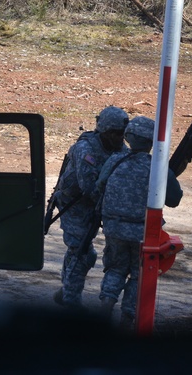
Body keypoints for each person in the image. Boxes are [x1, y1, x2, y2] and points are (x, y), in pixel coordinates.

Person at [96, 115, 182, 326]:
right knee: (138, 274)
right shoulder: (157, 168)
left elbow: (99, 185)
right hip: (143, 232)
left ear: (128, 137)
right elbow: (174, 199)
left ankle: (106, 304)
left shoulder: (115, 160)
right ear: (152, 141)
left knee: (115, 269)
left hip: (114, 228)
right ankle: (127, 317)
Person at [53, 105, 129, 308]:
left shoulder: (121, 149)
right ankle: (71, 301)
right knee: (84, 253)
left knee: (77, 252)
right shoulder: (85, 149)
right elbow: (89, 188)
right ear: (104, 131)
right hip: (75, 205)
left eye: (122, 134)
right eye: (115, 133)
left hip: (99, 206)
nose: (120, 138)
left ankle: (66, 289)